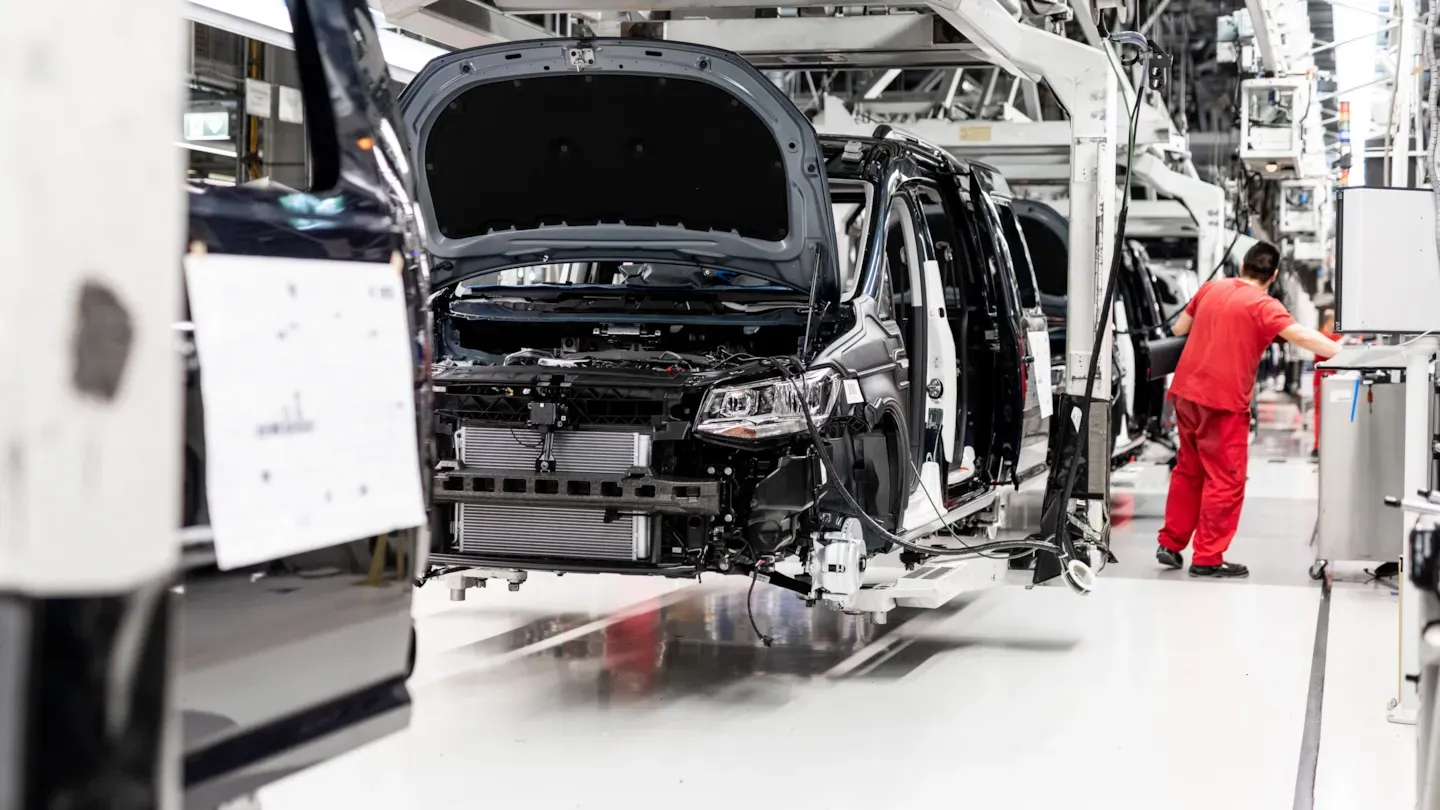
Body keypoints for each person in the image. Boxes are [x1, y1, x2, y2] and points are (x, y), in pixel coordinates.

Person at [1155, 242, 1342, 578]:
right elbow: (1300, 336)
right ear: (1272, 276)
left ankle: (1170, 543)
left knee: (1189, 470)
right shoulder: (1264, 305)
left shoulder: (1211, 287)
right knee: (1225, 480)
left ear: (1242, 265)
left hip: (1185, 392)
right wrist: (1342, 351)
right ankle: (1208, 558)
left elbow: (1178, 329)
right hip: (1222, 402)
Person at [1311, 308, 1339, 459]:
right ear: (1329, 321)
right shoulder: (1320, 337)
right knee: (1319, 412)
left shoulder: (1335, 336)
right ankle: (1317, 445)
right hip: (1321, 376)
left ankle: (1328, 443)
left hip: (1332, 375)